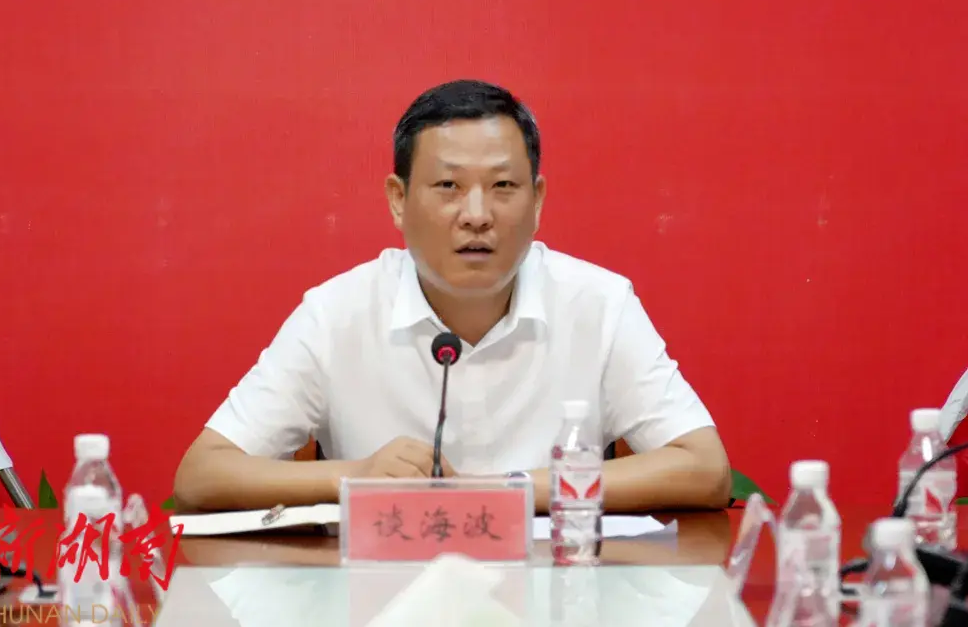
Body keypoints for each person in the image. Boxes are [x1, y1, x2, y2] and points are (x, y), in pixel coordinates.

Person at [173, 79, 731, 513]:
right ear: (398, 200)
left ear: (537, 201)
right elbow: (202, 474)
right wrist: (356, 475)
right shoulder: (337, 313)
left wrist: (506, 491)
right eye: (448, 186)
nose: (477, 215)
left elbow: (704, 469)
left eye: (503, 186)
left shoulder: (599, 304)